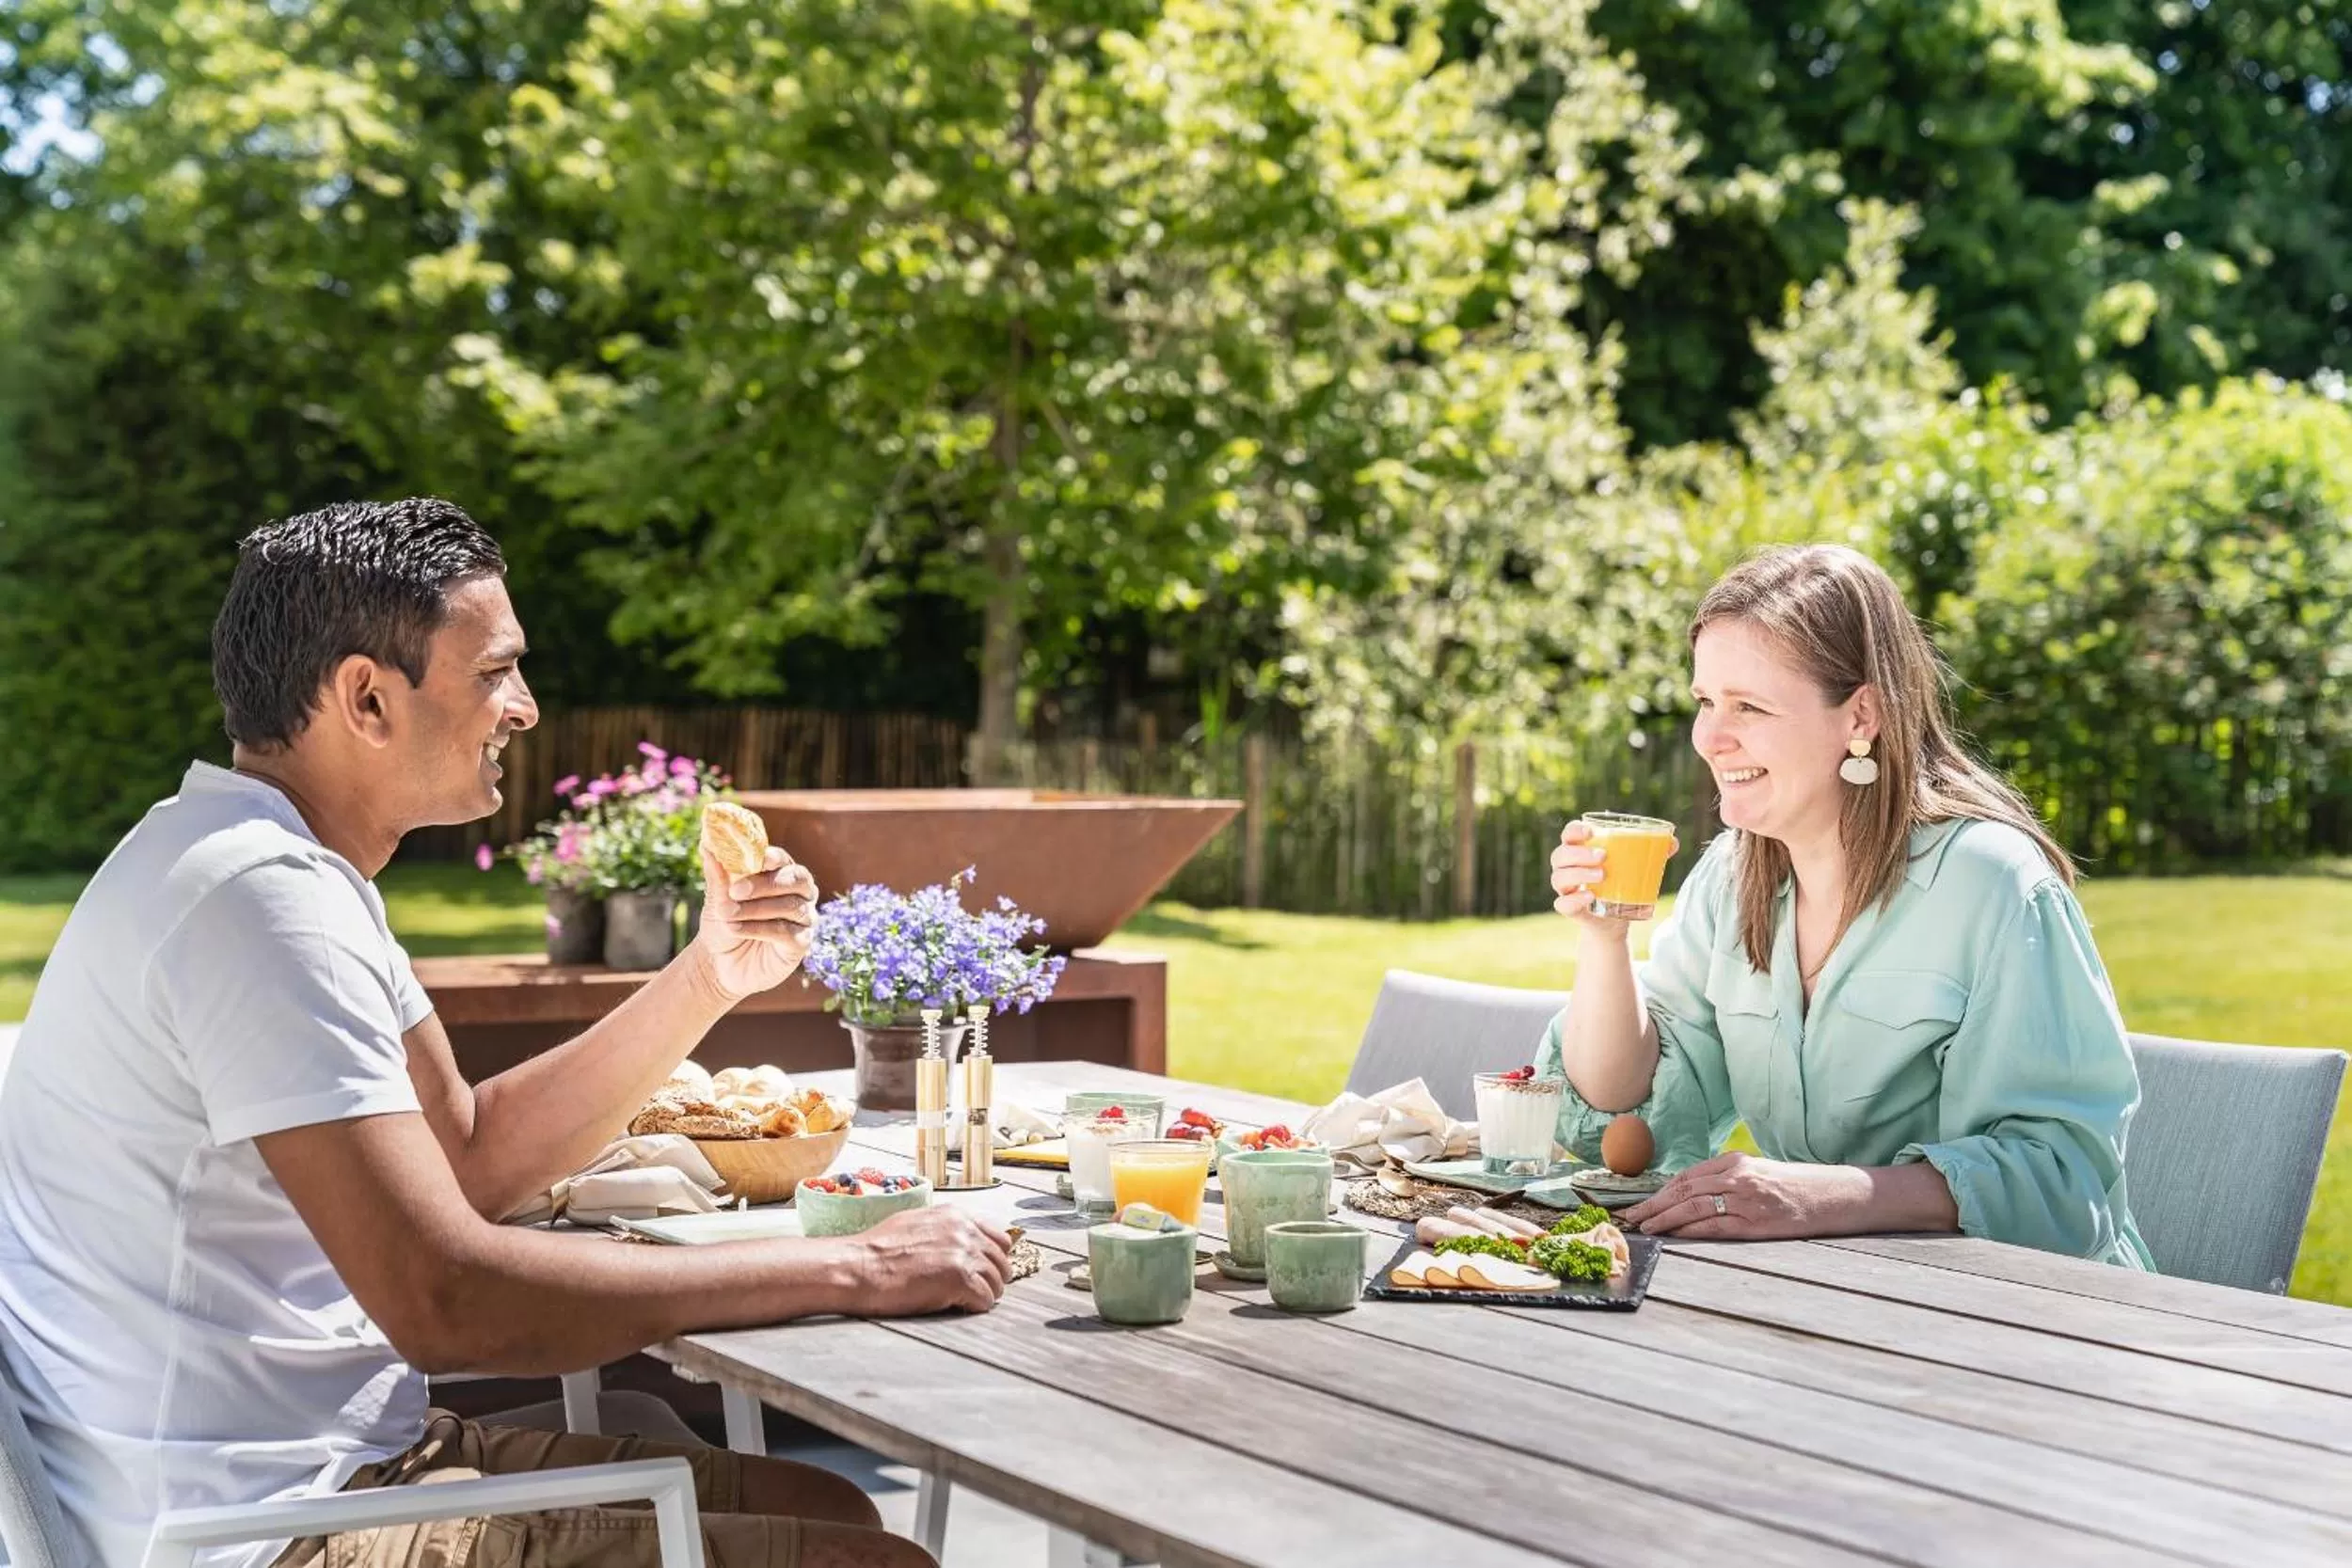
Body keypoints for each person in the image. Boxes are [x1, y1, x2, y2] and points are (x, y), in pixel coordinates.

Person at [0, 499, 1009, 1568]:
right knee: (871, 1564)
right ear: (367, 697)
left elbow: (469, 1155)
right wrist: (852, 1266)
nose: (523, 706)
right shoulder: (259, 900)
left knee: (834, 1511)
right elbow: (449, 1297)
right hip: (257, 1529)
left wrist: (710, 972)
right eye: (495, 671)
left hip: (347, 1463)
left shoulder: (260, 862)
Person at [1540, 544, 2153, 1267]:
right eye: (1706, 700)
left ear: (1860, 715)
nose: (1710, 736)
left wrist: (1822, 1198)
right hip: (1841, 1291)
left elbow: (2064, 1177)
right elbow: (1624, 1111)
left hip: (2038, 1318)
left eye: (1750, 706)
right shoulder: (1734, 877)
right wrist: (1604, 943)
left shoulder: (1992, 884)